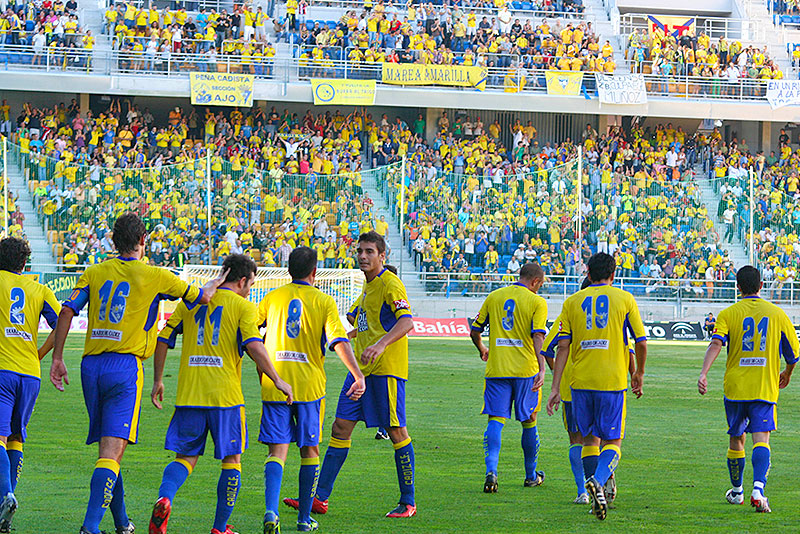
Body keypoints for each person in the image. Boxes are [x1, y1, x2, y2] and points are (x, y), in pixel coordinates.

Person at [50, 212, 227, 534]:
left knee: (109, 451)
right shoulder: (155, 275)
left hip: (90, 366)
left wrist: (58, 357)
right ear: (143, 241)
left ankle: (121, 522)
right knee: (110, 452)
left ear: (113, 241)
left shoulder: (94, 271)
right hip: (125, 367)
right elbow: (201, 297)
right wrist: (214, 283)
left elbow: (66, 309)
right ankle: (89, 528)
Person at [147, 254, 293, 534]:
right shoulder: (243, 307)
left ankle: (165, 498)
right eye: (250, 283)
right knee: (232, 461)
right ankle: (219, 527)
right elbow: (254, 346)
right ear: (241, 281)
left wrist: (158, 380)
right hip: (225, 399)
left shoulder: (191, 302)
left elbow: (163, 337)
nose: (250, 289)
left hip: (190, 394)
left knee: (185, 458)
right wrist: (277, 380)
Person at [284, 232, 416, 518]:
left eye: (370, 251)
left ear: (383, 255)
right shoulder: (367, 288)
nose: (363, 256)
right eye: (360, 251)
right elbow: (358, 321)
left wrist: (380, 344)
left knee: (396, 432)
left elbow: (407, 321)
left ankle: (408, 501)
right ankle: (320, 498)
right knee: (339, 429)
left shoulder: (391, 284)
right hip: (360, 373)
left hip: (386, 372)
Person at [258, 246, 365, 533]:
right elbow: (339, 341)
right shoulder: (324, 301)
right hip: (308, 389)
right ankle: (304, 520)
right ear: (315, 272)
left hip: (275, 386)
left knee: (277, 451)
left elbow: (251, 335)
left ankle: (271, 511)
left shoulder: (271, 298)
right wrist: (357, 374)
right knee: (310, 451)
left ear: (288, 269)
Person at [546, 252, 647, 521]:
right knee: (613, 441)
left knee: (589, 440)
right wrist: (638, 373)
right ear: (613, 275)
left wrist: (555, 388)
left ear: (587, 273)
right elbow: (640, 341)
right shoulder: (624, 299)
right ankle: (599, 482)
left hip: (579, 383)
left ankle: (594, 495)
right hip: (612, 381)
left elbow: (562, 346)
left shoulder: (572, 301)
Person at [697, 265, 799, 513]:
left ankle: (737, 491)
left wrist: (704, 373)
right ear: (761, 286)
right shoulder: (777, 314)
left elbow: (716, 344)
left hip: (735, 388)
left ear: (738, 286)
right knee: (761, 439)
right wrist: (786, 373)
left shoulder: (728, 313)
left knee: (736, 439)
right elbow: (794, 353)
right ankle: (758, 489)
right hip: (764, 387)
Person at [469, 262, 548, 493]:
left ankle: (491, 471)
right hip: (526, 371)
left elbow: (475, 330)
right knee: (529, 421)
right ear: (535, 282)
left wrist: (482, 348)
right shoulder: (537, 302)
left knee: (495, 420)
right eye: (539, 285)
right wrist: (542, 368)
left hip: (497, 369)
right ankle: (531, 476)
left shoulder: (494, 296)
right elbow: (538, 337)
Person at [0, 238, 61, 531]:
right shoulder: (39, 288)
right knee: (16, 438)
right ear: (24, 264)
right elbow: (62, 322)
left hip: (1, 371)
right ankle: (5, 509)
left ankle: (5, 495)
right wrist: (40, 354)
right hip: (30, 373)